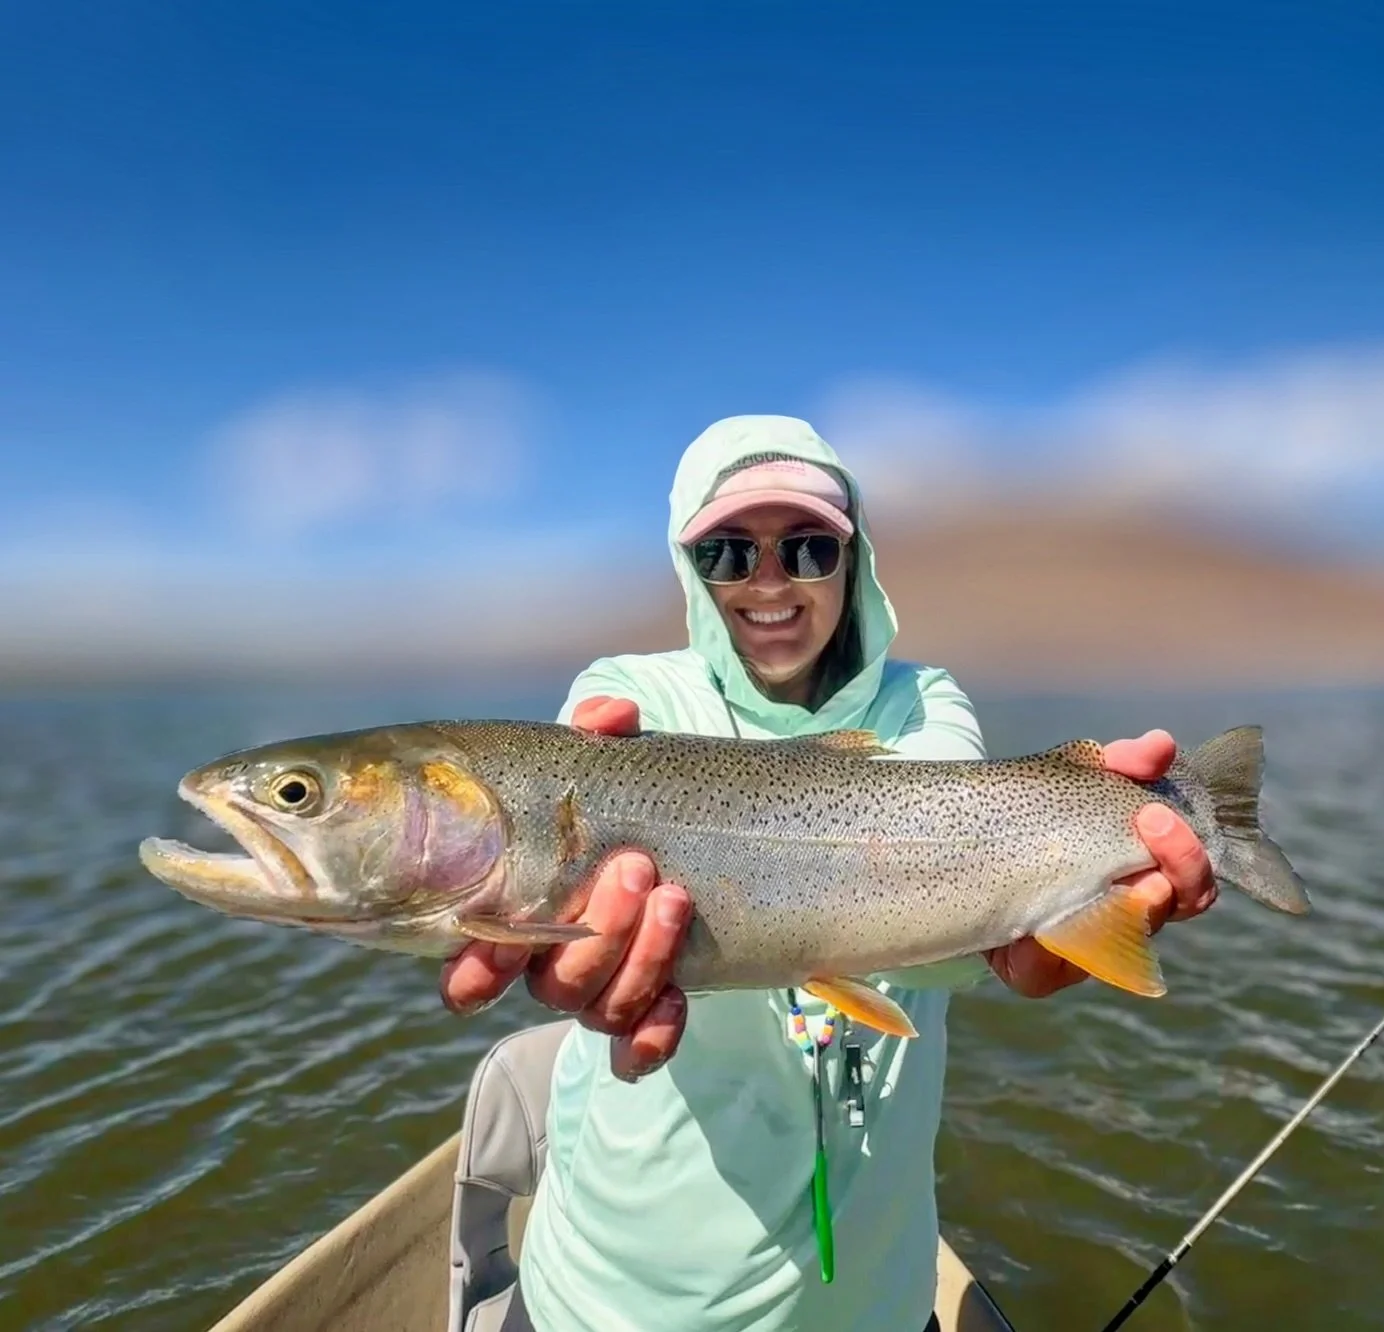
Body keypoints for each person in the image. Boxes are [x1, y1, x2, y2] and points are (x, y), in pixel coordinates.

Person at [441, 415, 1217, 1332]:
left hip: (871, 1302)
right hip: (619, 1296)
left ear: (856, 561)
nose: (769, 580)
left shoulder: (923, 703)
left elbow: (947, 905)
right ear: (690, 568)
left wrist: (1045, 927)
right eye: (728, 552)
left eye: (808, 547)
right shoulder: (628, 701)